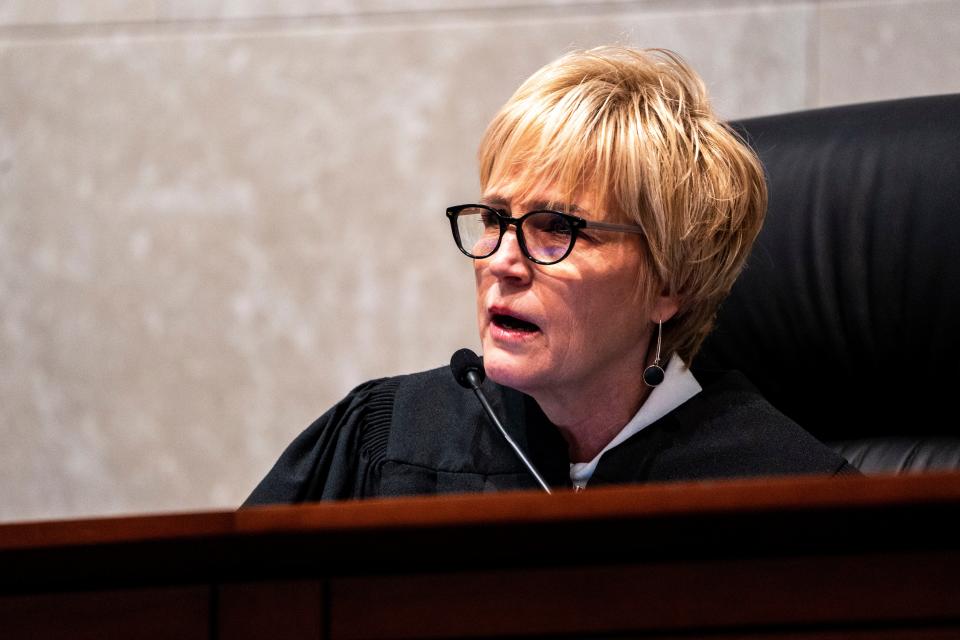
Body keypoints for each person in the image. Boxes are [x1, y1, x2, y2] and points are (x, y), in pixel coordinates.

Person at [245, 46, 856, 505]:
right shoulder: (383, 442)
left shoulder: (793, 501)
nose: (502, 261)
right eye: (495, 217)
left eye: (557, 228)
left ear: (672, 283)